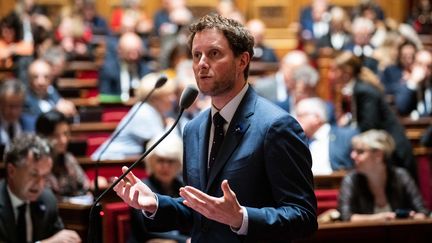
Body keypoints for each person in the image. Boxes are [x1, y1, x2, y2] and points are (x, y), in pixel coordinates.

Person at [114, 14, 317, 242]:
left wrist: (242, 218)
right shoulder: (193, 129)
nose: (201, 63)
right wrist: (156, 204)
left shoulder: (276, 126)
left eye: (214, 54)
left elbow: (304, 217)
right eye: (196, 55)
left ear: (242, 61)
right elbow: (201, 211)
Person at [0, 134, 81, 242]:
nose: (40, 183)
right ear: (11, 171)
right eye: (34, 174)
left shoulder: (47, 200)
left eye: (45, 176)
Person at [338, 130, 429, 222]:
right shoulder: (350, 180)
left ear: (378, 155)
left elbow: (423, 211)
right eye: (353, 151)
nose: (352, 155)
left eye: (360, 152)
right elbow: (345, 217)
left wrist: (412, 217)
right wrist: (380, 218)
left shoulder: (401, 176)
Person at [92, 72, 178, 160]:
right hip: (109, 163)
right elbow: (163, 147)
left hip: (124, 161)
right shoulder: (144, 111)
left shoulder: (153, 111)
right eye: (169, 95)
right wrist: (171, 127)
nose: (174, 98)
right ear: (155, 98)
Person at [129, 133, 189, 243]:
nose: (165, 166)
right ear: (151, 162)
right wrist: (185, 240)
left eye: (170, 161)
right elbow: (147, 231)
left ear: (179, 164)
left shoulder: (183, 187)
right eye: (160, 160)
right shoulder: (141, 188)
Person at [35, 110, 90, 198]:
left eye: (65, 134)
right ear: (42, 137)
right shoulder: (36, 163)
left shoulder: (68, 158)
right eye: (56, 136)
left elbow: (84, 186)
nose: (63, 140)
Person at [295, 97, 358, 175]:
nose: (296, 119)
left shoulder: (345, 136)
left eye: (301, 115)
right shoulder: (299, 142)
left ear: (317, 117)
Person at [98, 31, 153, 102]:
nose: (134, 56)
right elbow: (105, 96)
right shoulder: (108, 69)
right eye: (129, 53)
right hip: (117, 108)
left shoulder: (146, 70)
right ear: (120, 51)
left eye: (137, 52)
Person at [23, 59, 77, 129]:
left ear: (51, 79)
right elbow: (33, 122)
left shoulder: (51, 91)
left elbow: (63, 105)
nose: (41, 82)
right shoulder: (24, 98)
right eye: (36, 77)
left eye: (46, 77)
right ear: (29, 79)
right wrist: (56, 111)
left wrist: (68, 107)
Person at [0, 79, 30, 158]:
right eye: (10, 106)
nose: (14, 112)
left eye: (18, 106)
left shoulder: (30, 124)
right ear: (1, 103)